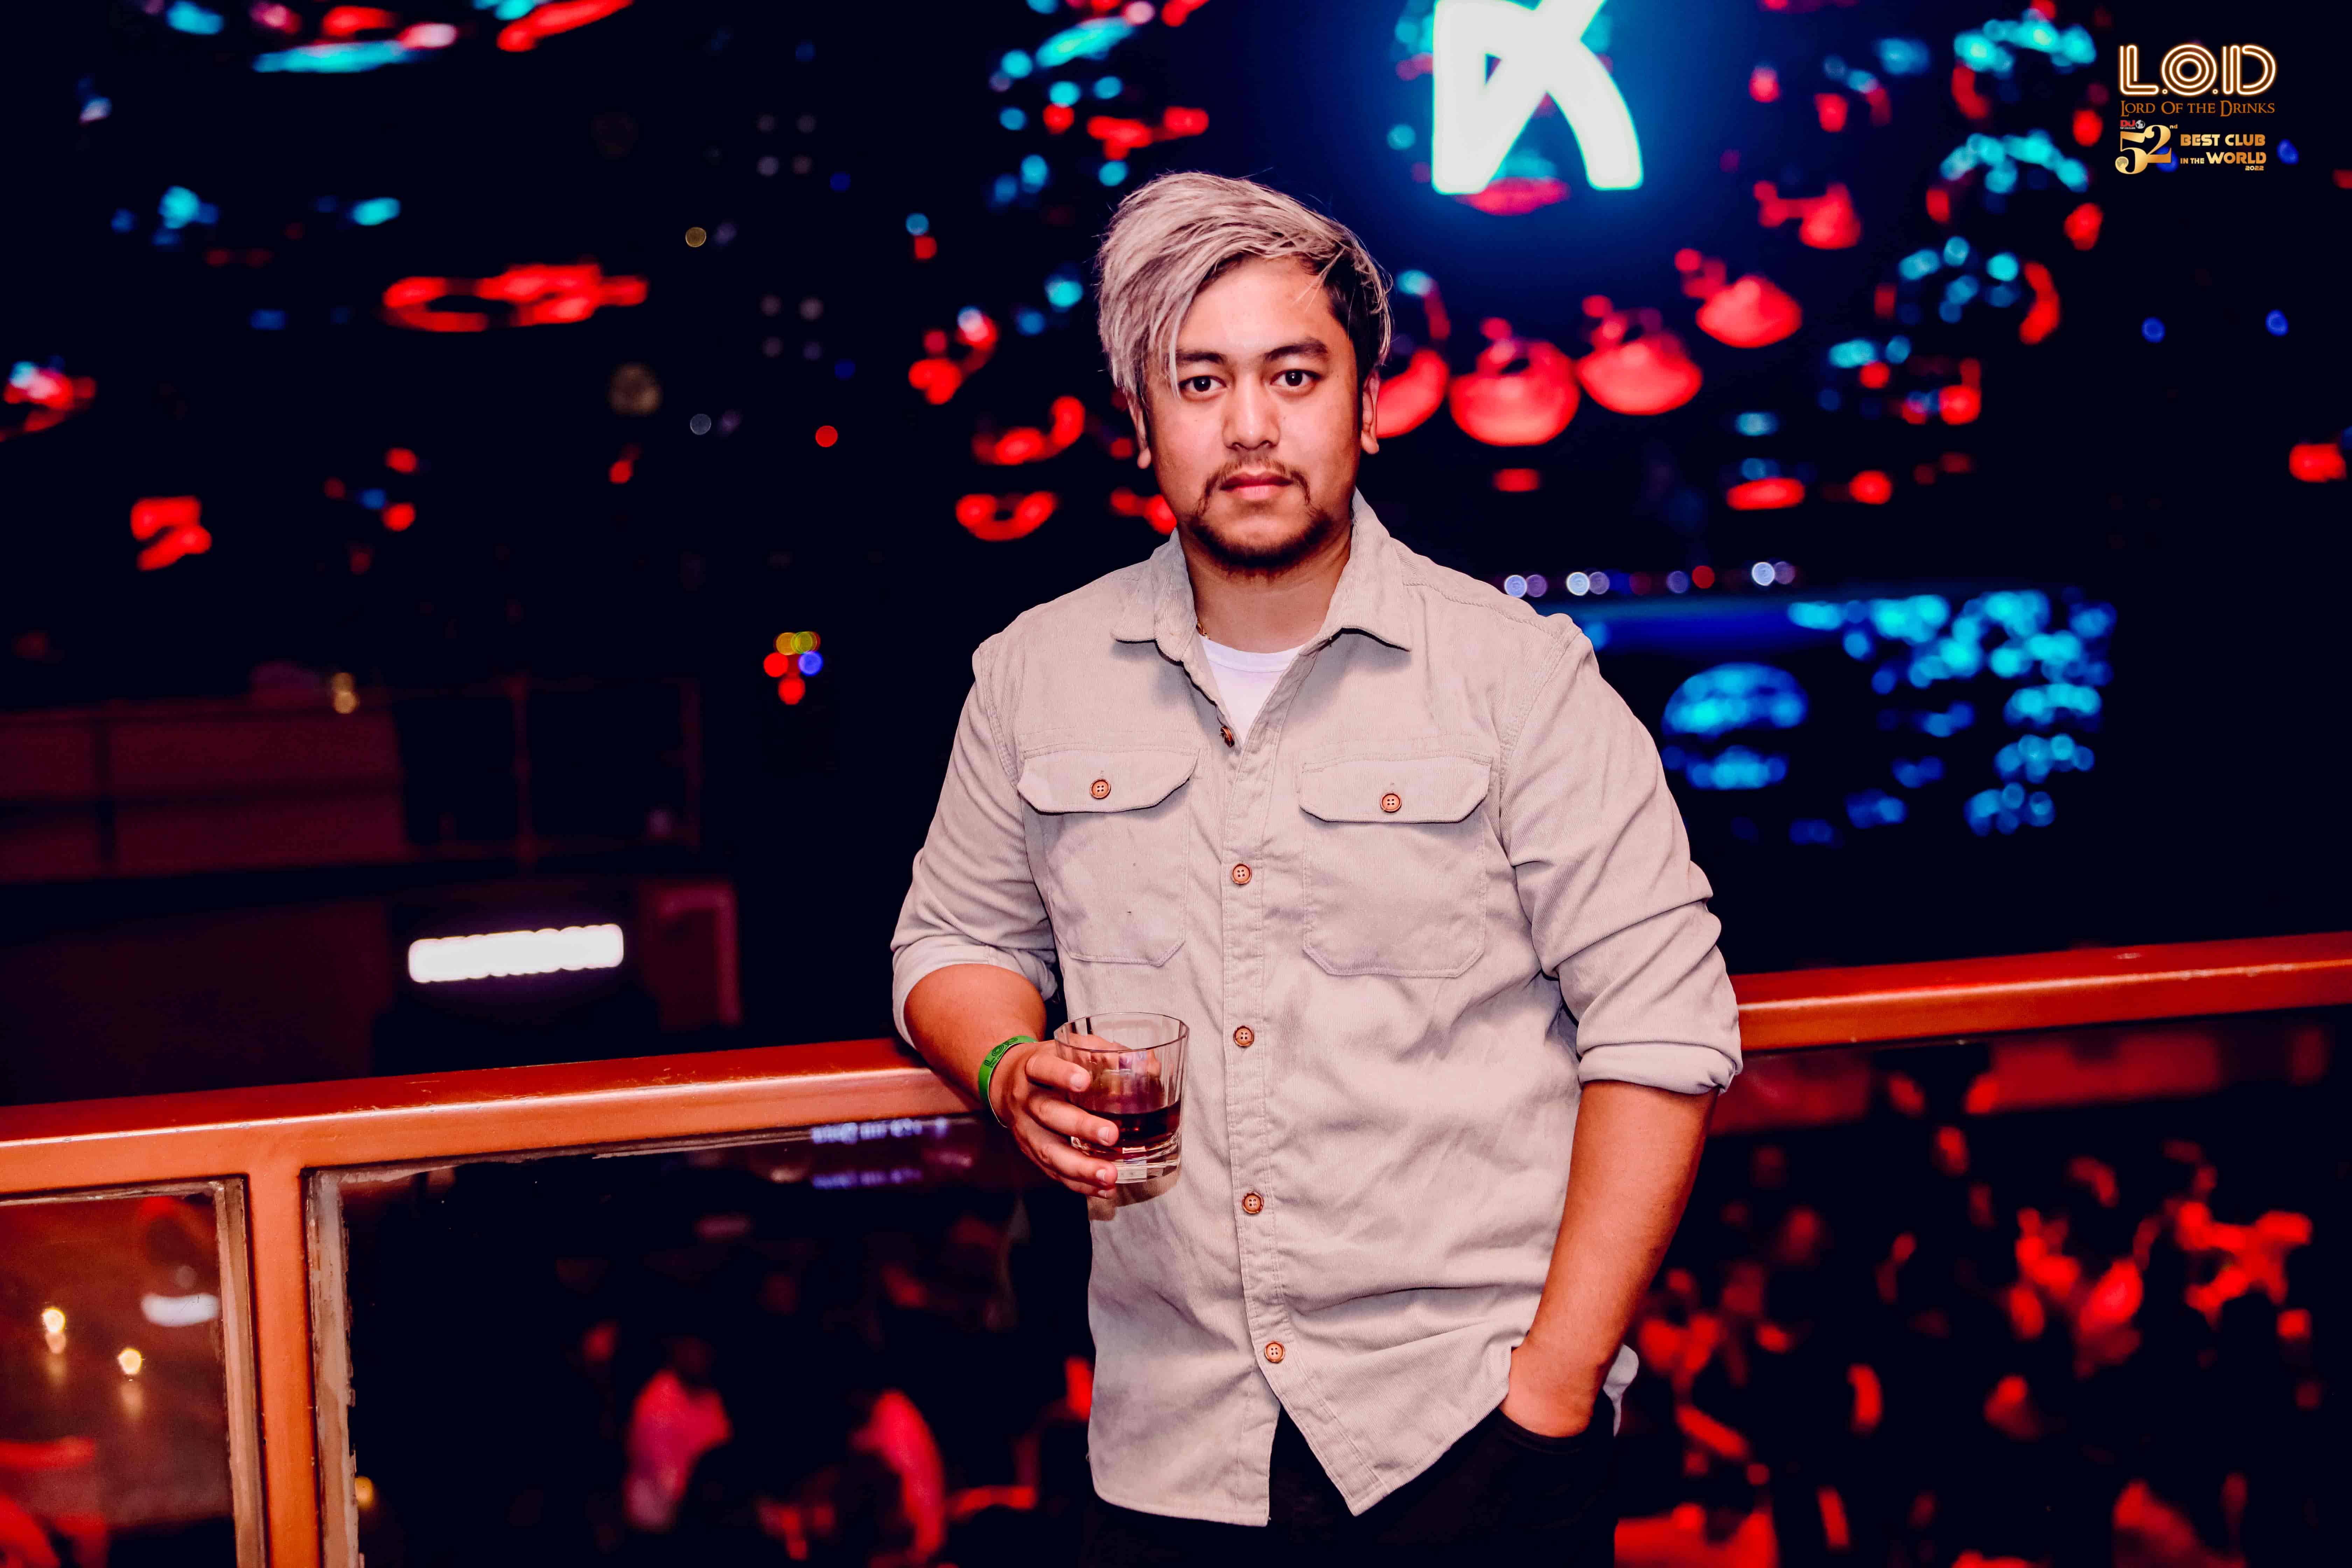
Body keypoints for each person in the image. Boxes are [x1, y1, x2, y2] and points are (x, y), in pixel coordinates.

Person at [891, 170, 1742, 1564]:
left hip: (1471, 1430)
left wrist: (1552, 1394)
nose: (1250, 426)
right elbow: (951, 940)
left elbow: (1664, 1029)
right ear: (1142, 423)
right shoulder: (1035, 674)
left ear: (1367, 404)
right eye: (1200, 381)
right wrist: (1003, 1064)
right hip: (1169, 1452)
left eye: (1294, 375)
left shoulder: (1518, 679)